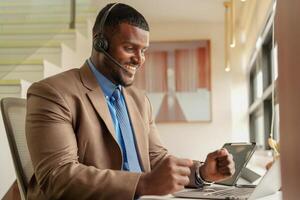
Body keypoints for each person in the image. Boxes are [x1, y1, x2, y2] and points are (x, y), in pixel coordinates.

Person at [25, 3, 235, 200]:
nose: (140, 59)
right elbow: (58, 177)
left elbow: (157, 160)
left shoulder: (139, 100)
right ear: (100, 44)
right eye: (129, 48)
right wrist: (143, 183)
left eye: (143, 50)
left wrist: (201, 173)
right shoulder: (52, 93)